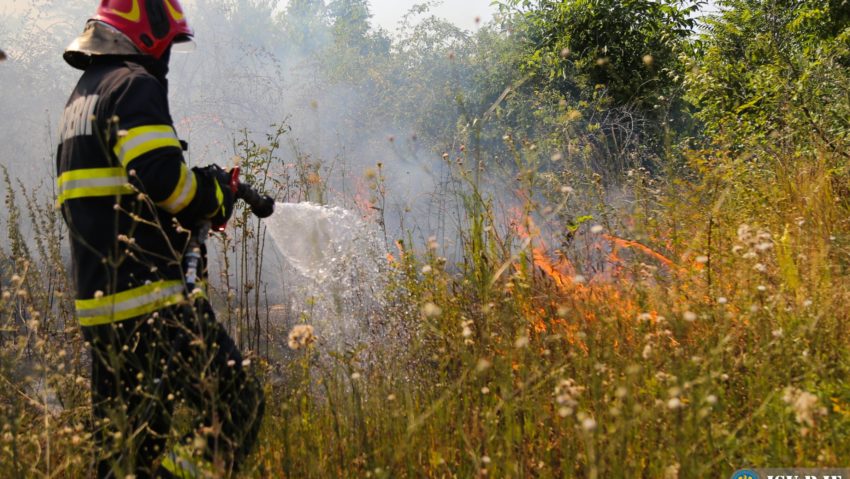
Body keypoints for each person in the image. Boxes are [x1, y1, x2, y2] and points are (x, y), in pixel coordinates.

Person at [57, 1, 264, 477]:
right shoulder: (132, 85)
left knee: (125, 455)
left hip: (104, 310)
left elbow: (119, 193)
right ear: (146, 34)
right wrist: (213, 194)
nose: (167, 59)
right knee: (238, 405)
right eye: (167, 46)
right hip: (152, 304)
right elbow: (164, 181)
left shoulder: (82, 96)